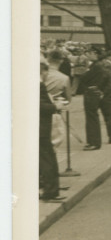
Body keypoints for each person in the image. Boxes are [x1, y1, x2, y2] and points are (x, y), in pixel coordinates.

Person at [40, 61, 68, 203]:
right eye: (46, 73)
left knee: (43, 160)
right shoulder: (38, 85)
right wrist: (55, 106)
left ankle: (44, 187)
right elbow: (40, 106)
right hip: (41, 129)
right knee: (49, 161)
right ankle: (50, 192)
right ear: (43, 72)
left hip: (39, 129)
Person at [77, 46, 111, 149]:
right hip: (96, 93)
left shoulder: (96, 66)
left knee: (92, 118)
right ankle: (93, 141)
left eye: (89, 53)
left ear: (95, 54)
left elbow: (84, 78)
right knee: (93, 118)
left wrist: (84, 73)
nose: (88, 55)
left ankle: (94, 142)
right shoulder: (98, 65)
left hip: (92, 93)